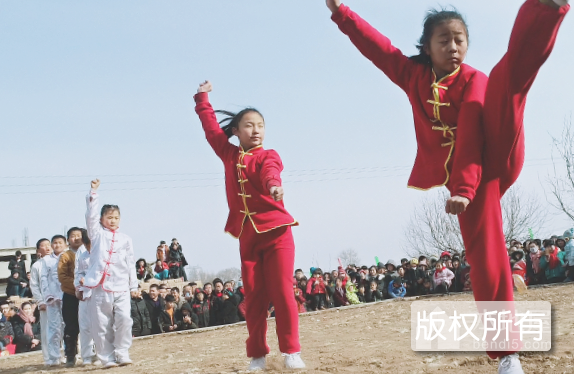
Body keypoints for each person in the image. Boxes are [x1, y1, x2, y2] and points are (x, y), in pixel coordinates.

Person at [327, 0, 570, 369]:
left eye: (460, 40)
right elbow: (379, 48)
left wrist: (464, 190)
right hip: (464, 183)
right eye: (444, 40)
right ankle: (508, 354)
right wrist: (341, 12)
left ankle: (547, 7)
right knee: (486, 256)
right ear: (426, 47)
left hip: (494, 153)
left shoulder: (474, 80)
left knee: (507, 79)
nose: (453, 47)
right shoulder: (413, 75)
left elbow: (472, 136)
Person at [194, 80, 304, 370]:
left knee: (282, 292)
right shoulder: (229, 155)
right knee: (254, 297)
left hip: (278, 233)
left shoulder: (269, 155)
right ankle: (257, 355)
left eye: (260, 125)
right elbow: (210, 130)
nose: (256, 130)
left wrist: (274, 187)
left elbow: (271, 171)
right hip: (248, 236)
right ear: (236, 131)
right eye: (249, 125)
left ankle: (291, 351)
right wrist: (203, 99)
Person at [83, 179, 138, 367]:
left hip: (121, 285)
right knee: (101, 324)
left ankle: (122, 352)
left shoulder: (126, 239)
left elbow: (130, 263)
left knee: (124, 319)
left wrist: (134, 285)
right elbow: (90, 216)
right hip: (100, 285)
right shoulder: (96, 234)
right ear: (101, 219)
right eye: (109, 217)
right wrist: (94, 192)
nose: (112, 221)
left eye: (116, 217)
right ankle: (106, 357)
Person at [40, 234, 68, 366]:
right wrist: (47, 296)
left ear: (65, 244)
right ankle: (54, 357)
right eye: (55, 243)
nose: (57, 245)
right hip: (52, 298)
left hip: (67, 295)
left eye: (60, 243)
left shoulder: (70, 257)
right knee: (54, 327)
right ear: (52, 245)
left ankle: (71, 354)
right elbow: (43, 279)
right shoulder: (46, 261)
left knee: (69, 326)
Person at [58, 227, 83, 367]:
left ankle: (92, 353)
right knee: (71, 327)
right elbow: (62, 276)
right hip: (71, 295)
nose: (76, 238)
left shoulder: (88, 253)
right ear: (68, 240)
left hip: (87, 295)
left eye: (79, 235)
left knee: (90, 325)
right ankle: (70, 356)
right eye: (73, 236)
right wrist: (77, 286)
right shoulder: (65, 256)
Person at [74, 228, 98, 366]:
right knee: (85, 326)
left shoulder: (102, 253)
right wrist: (79, 288)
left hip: (99, 292)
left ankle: (103, 353)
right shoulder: (81, 254)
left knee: (101, 325)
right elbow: (78, 273)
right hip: (84, 294)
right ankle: (87, 356)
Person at [29, 239, 51, 365]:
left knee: (66, 328)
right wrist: (40, 301)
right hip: (46, 303)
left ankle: (69, 354)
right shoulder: (36, 266)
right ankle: (49, 358)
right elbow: (34, 285)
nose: (47, 247)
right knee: (47, 330)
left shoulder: (59, 261)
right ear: (38, 251)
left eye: (49, 245)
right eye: (44, 246)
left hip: (61, 300)